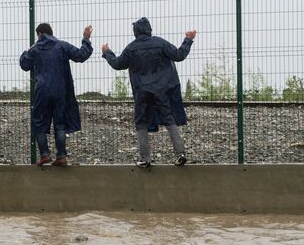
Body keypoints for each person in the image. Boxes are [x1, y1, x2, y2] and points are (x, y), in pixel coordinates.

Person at [101, 17, 196, 168]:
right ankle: (181, 153)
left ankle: (145, 158)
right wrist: (188, 40)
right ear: (149, 29)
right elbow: (179, 55)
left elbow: (118, 64)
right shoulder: (160, 43)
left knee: (141, 122)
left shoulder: (131, 48)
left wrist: (107, 53)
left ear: (135, 32)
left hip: (141, 90)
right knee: (169, 119)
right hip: (162, 89)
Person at [20, 23, 93, 166]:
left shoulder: (35, 49)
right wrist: (86, 39)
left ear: (39, 33)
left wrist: (26, 52)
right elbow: (81, 55)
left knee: (38, 122)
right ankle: (61, 156)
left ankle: (45, 155)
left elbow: (24, 65)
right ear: (51, 33)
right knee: (60, 123)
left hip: (42, 91)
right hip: (61, 90)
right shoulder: (62, 46)